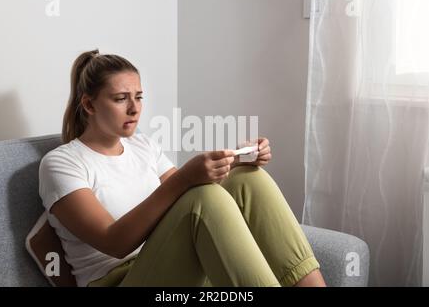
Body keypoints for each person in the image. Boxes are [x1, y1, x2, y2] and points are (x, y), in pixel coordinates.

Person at [39, 49, 326, 287]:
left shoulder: (143, 146)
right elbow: (114, 241)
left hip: (171, 266)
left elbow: (191, 196)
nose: (134, 108)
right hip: (118, 280)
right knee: (203, 199)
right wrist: (186, 178)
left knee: (248, 180)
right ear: (89, 104)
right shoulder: (62, 162)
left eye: (138, 97)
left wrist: (237, 159)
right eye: (120, 98)